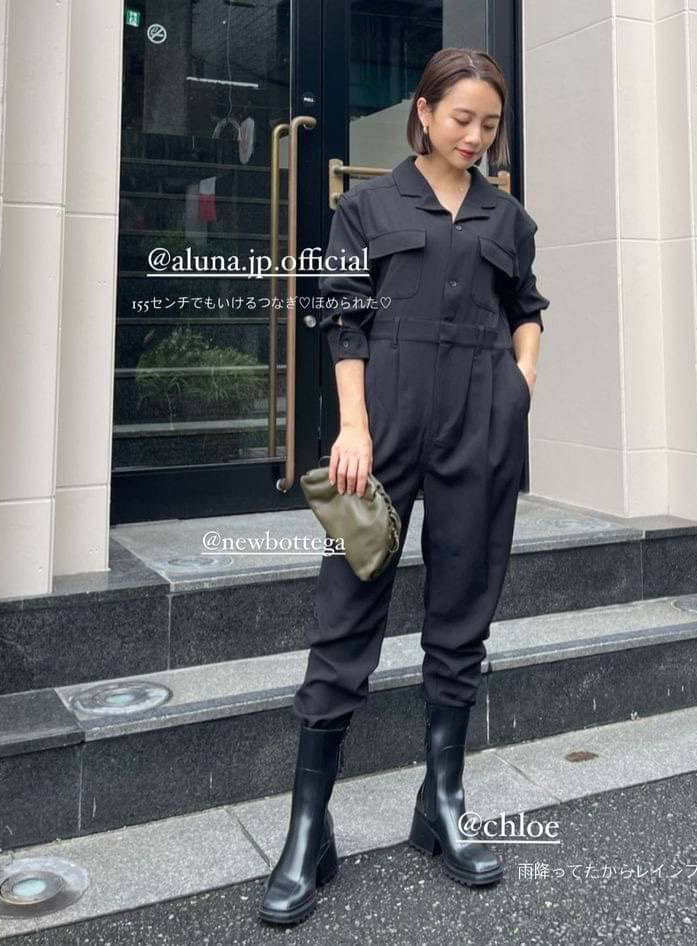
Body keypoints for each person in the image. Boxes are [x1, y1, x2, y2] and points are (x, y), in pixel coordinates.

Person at [258, 47, 550, 926]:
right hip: (376, 437)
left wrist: (519, 388)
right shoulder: (367, 206)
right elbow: (343, 318)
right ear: (423, 112)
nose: (475, 135)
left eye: (489, 123)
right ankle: (308, 828)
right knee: (345, 613)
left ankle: (442, 805)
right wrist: (352, 425)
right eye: (461, 118)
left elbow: (528, 309)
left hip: (480, 430)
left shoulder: (508, 217)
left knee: (463, 611)